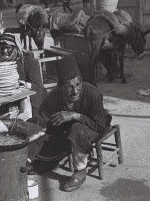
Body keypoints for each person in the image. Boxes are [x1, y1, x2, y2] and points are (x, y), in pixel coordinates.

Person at [28, 55, 112, 192]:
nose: (75, 91)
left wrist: (75, 115)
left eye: (78, 84)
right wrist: (30, 153)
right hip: (68, 129)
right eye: (69, 86)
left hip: (95, 125)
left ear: (82, 81)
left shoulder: (93, 94)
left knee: (77, 128)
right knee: (36, 125)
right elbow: (41, 124)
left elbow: (99, 126)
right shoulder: (53, 97)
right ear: (60, 87)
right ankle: (50, 159)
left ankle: (80, 171)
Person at [0, 32, 47, 123]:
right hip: (7, 98)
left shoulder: (28, 58)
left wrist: (22, 84)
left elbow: (37, 85)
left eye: (8, 48)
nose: (5, 51)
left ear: (15, 46)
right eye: (2, 48)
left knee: (30, 120)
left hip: (30, 97)